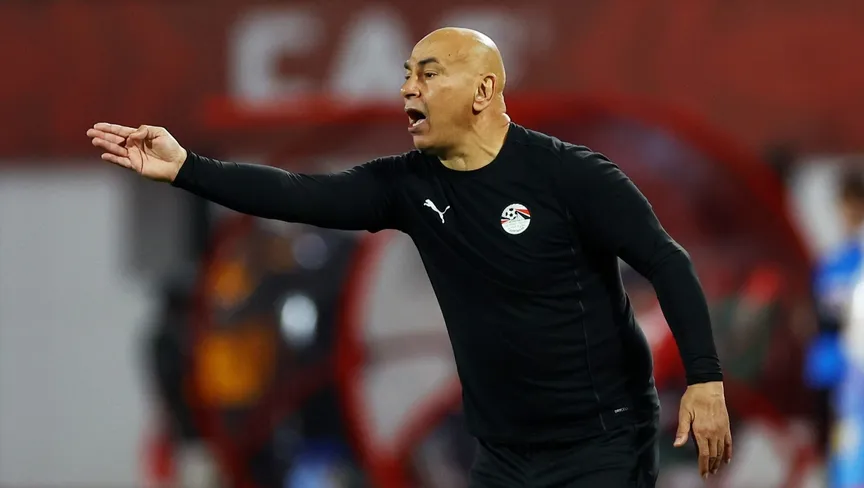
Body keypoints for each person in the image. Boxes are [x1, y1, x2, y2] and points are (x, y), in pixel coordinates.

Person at [87, 27, 731, 487]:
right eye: (405, 76)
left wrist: (704, 381)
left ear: (482, 91)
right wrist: (188, 168)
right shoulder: (406, 186)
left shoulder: (571, 177)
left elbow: (667, 262)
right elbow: (299, 194)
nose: (407, 91)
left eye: (427, 74)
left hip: (602, 442)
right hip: (503, 453)